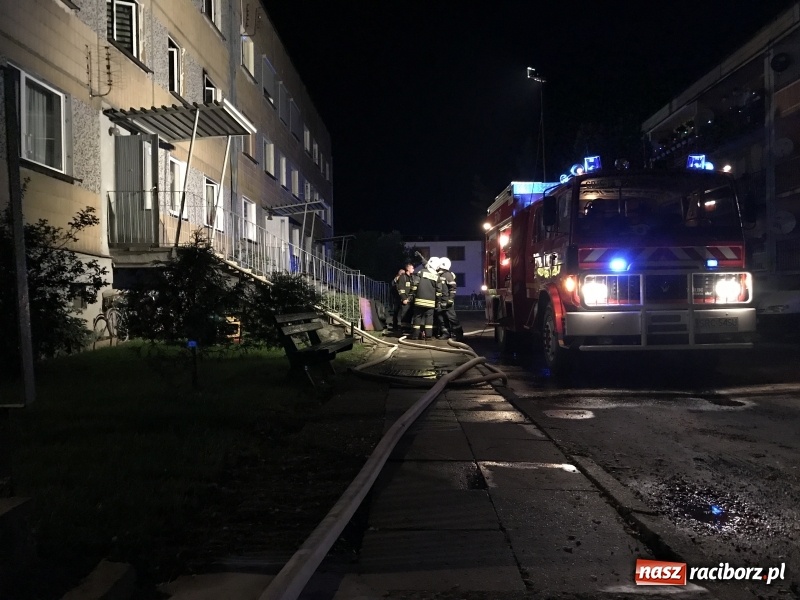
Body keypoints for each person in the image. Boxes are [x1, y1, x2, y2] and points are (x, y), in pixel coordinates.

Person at [409, 257, 442, 340]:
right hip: (431, 302)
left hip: (419, 300)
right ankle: (428, 336)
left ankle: (415, 335)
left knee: (417, 317)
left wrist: (411, 294)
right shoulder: (437, 276)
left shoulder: (421, 272)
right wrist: (438, 301)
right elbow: (439, 291)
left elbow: (415, 285)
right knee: (429, 319)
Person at [435, 256, 463, 341]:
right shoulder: (438, 275)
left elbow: (453, 288)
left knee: (452, 319)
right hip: (440, 302)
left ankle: (459, 335)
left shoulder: (448, 275)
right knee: (442, 319)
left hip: (447, 302)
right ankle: (446, 334)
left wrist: (450, 299)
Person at [395, 263, 414, 335]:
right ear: (408, 269)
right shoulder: (403, 277)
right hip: (405, 300)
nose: (413, 270)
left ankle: (407, 329)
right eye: (412, 268)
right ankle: (403, 330)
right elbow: (400, 289)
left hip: (410, 300)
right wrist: (404, 298)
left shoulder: (411, 278)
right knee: (404, 315)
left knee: (409, 315)